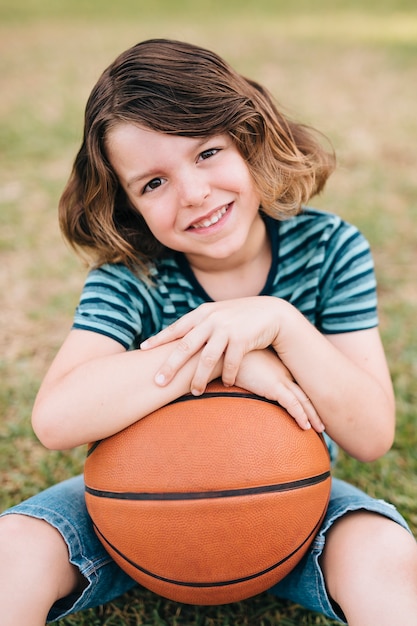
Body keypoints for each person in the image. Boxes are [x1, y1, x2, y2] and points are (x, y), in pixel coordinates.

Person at [1, 38, 416, 626]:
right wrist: (233, 360)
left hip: (291, 504)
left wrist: (282, 323)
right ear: (128, 205)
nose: (193, 194)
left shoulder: (329, 248)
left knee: (388, 555)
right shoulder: (133, 278)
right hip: (134, 507)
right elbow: (56, 418)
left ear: (247, 138)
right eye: (153, 183)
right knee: (10, 553)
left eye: (206, 153)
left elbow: (372, 434)